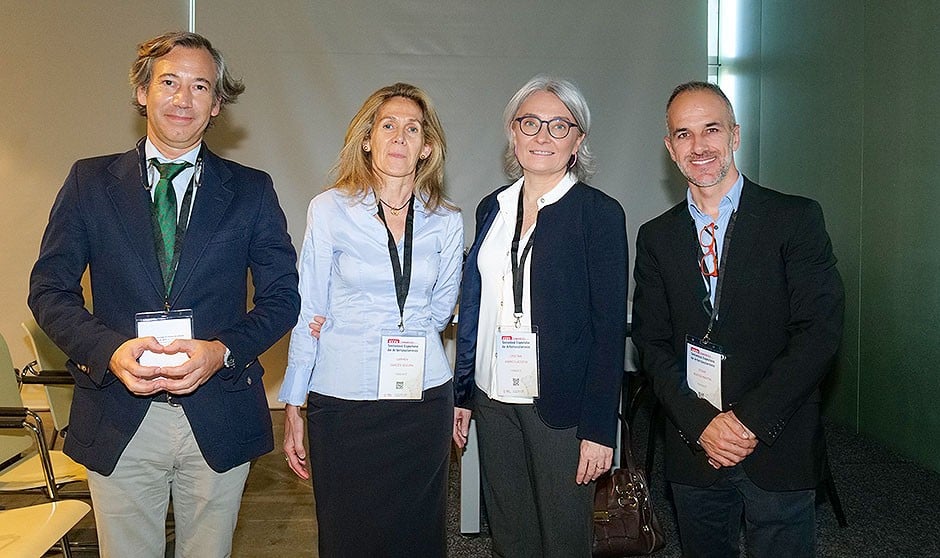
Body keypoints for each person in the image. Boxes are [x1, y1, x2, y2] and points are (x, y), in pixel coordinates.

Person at [28, 32, 300, 558]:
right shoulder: (88, 182)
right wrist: (108, 350)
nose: (183, 98)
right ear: (142, 92)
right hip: (119, 412)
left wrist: (220, 351)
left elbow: (282, 297)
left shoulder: (252, 189)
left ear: (217, 103)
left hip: (217, 411)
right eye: (169, 82)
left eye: (201, 86)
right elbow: (49, 291)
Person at [631, 81, 845, 557]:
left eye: (711, 129)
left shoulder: (794, 219)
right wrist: (703, 424)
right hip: (694, 448)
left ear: (735, 135)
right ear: (670, 147)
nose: (699, 145)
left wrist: (746, 423)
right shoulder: (656, 237)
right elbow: (651, 343)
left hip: (776, 442)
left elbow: (819, 332)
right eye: (683, 134)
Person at [279, 82, 463, 557]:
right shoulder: (330, 210)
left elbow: (442, 310)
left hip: (423, 398)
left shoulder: (446, 219)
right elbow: (309, 308)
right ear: (367, 139)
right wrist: (294, 403)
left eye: (412, 128)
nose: (399, 137)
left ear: (427, 147)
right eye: (387, 125)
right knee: (347, 535)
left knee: (419, 535)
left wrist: (376, 320)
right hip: (344, 401)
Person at [452, 75, 628, 557]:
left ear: (579, 140)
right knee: (510, 535)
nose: (542, 136)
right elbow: (476, 308)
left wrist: (598, 429)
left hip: (561, 408)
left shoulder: (599, 214)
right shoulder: (492, 207)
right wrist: (462, 393)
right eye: (530, 123)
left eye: (558, 125)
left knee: (565, 539)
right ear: (513, 132)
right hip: (493, 399)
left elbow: (608, 331)